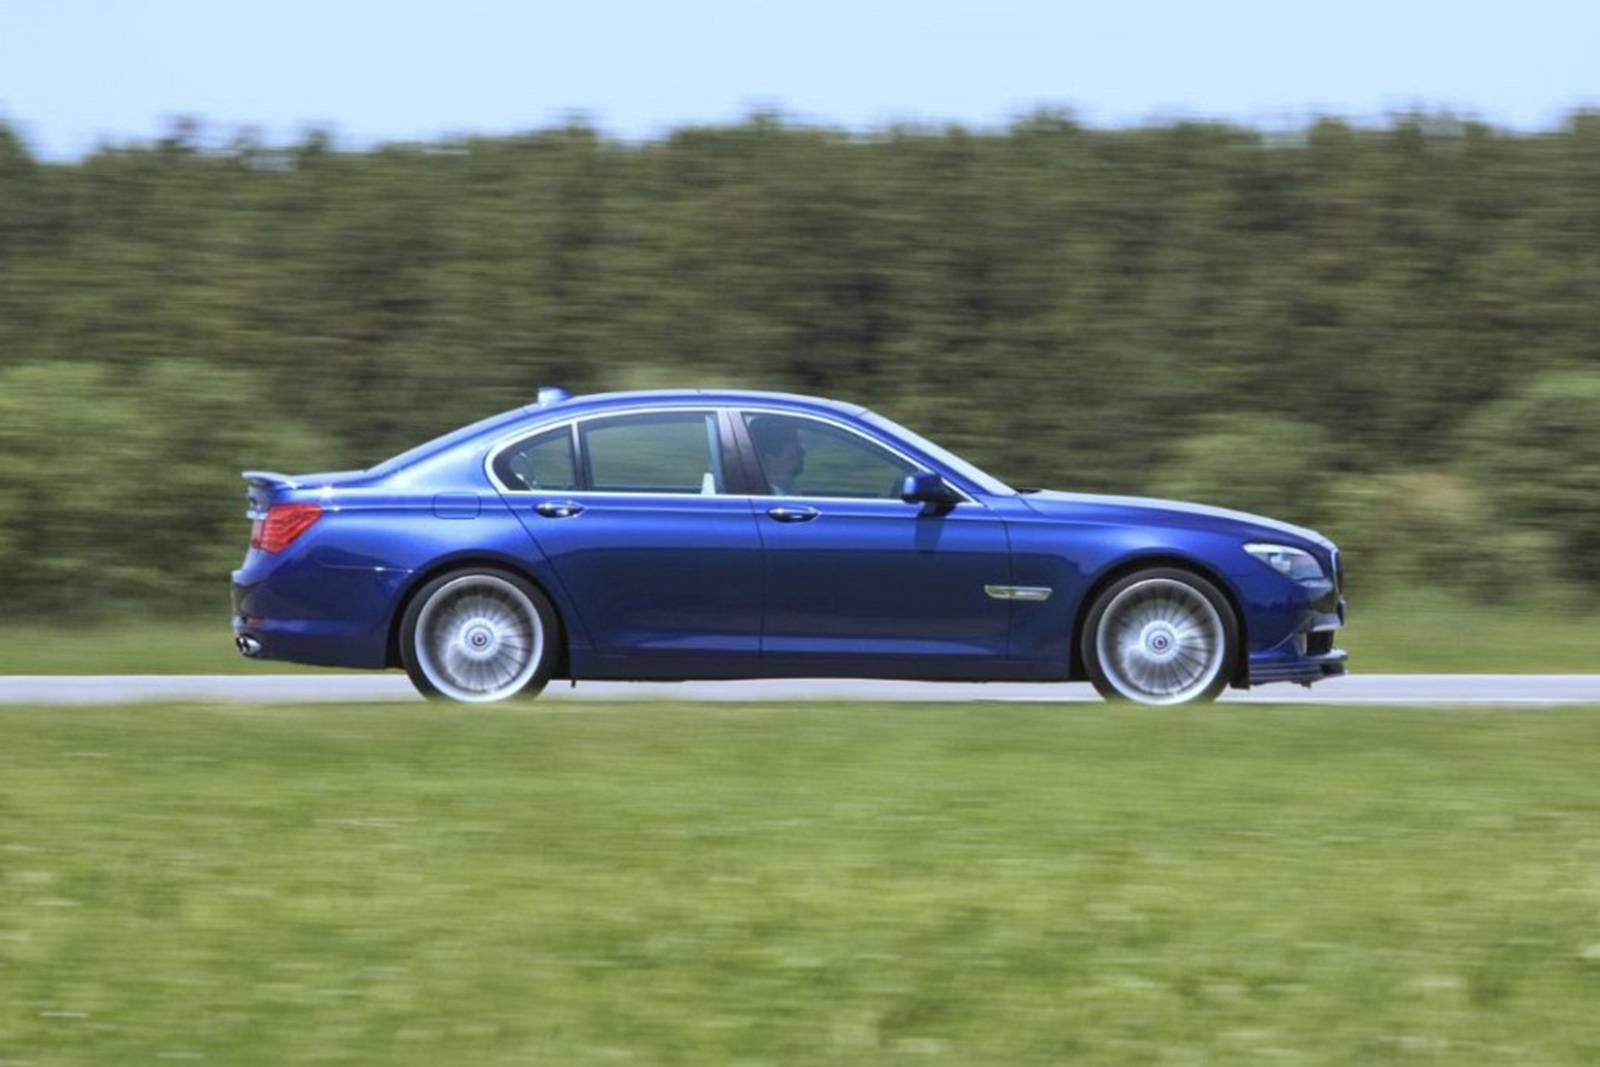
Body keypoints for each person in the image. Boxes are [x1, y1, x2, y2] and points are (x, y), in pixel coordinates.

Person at [748, 416, 806, 495]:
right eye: (795, 445)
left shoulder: (787, 489)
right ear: (769, 459)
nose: (803, 452)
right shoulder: (771, 496)